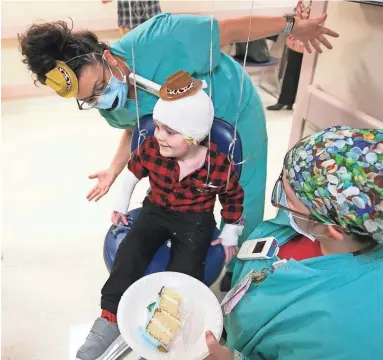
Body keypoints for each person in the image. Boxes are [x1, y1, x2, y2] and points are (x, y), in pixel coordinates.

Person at [18, 12, 339, 253]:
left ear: (104, 55)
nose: (101, 98)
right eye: (88, 99)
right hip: (183, 135)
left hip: (232, 108)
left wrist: (292, 25)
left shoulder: (160, 38)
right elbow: (134, 126)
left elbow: (232, 30)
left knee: (243, 188)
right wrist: (114, 170)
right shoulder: (108, 104)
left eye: (100, 86)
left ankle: (242, 255)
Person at [76, 71, 245, 360]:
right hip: (155, 210)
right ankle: (109, 318)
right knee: (129, 254)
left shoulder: (218, 165)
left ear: (194, 135)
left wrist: (231, 232)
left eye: (169, 131)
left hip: (196, 220)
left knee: (186, 272)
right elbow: (131, 174)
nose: (158, 136)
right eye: (156, 127)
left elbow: (233, 197)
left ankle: (162, 335)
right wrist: (120, 204)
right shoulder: (152, 149)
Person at [204, 126, 383, 360]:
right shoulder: (301, 226)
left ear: (335, 230)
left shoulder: (347, 331)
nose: (282, 206)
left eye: (289, 199)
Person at [267, 0, 312, 111]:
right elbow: (295, 18)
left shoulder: (318, 4)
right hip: (295, 41)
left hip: (309, 43)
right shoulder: (301, 2)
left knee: (305, 75)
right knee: (290, 71)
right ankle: (284, 101)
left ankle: (297, 104)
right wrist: (287, 31)